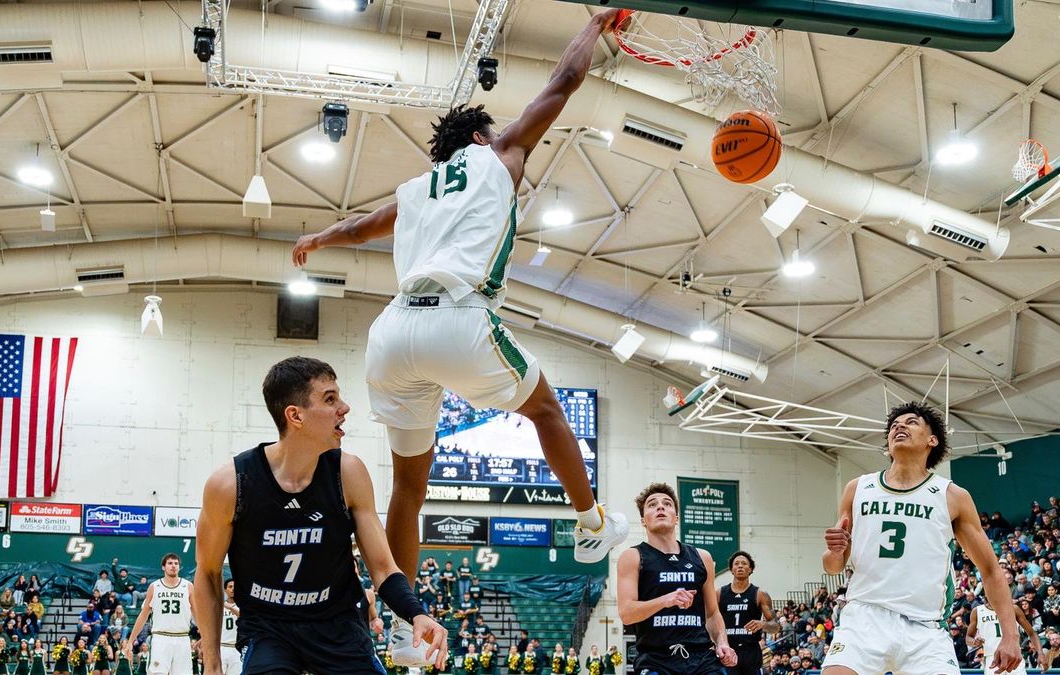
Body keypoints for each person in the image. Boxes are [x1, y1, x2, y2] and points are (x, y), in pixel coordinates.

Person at [289, 11, 631, 658]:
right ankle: (591, 523)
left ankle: (402, 626)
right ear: (481, 134)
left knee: (408, 489)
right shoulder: (498, 155)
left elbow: (363, 226)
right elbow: (563, 81)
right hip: (457, 315)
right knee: (547, 408)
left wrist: (318, 238)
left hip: (393, 333)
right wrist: (594, 24)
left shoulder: (419, 189)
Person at [193, 356, 448, 674]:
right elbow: (207, 573)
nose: (344, 407)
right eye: (330, 399)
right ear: (295, 415)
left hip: (337, 626)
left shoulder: (349, 473)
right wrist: (212, 661)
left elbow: (382, 568)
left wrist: (416, 613)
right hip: (269, 630)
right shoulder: (230, 484)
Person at [821, 402, 1022, 675]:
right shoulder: (858, 488)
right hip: (864, 618)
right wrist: (834, 552)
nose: (899, 427)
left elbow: (990, 571)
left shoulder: (952, 496)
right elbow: (833, 566)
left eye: (911, 422)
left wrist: (1010, 635)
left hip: (925, 628)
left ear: (932, 440)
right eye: (894, 425)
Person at [616, 483, 737, 674]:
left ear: (676, 518)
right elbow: (626, 612)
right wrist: (666, 600)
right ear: (643, 521)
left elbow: (712, 614)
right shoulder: (632, 557)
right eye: (652, 504)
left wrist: (722, 642)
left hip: (701, 659)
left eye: (667, 503)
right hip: (656, 660)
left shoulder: (702, 557)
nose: (660, 507)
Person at [121, 553, 195, 675]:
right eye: (170, 563)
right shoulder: (155, 586)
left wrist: (206, 638)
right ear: (163, 567)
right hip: (161, 638)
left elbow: (196, 613)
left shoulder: (188, 586)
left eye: (176, 563)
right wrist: (130, 642)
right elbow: (143, 615)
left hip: (182, 638)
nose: (173, 566)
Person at [718, 551, 777, 675]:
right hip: (728, 649)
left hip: (751, 650)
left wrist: (763, 624)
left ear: (750, 569)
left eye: (744, 563)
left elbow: (776, 626)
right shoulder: (719, 593)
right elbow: (710, 619)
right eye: (736, 564)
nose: (740, 566)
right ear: (731, 569)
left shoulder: (760, 594)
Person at [967, 594, 1046, 675]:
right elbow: (968, 638)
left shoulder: (1014, 608)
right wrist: (974, 641)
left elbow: (1032, 633)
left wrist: (1040, 653)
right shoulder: (977, 611)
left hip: (1014, 656)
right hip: (992, 657)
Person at [219, 578, 241, 675]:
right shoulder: (220, 606)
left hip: (237, 648)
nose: (233, 589)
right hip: (222, 646)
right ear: (225, 590)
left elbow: (244, 617)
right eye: (230, 587)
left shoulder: (243, 606)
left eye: (235, 587)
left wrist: (231, 608)